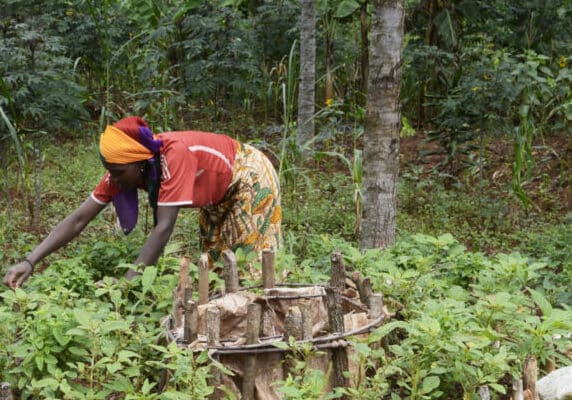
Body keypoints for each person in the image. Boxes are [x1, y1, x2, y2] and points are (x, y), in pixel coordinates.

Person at [3, 116, 282, 289]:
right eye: (110, 171)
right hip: (215, 194)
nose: (114, 179)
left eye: (118, 172)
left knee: (251, 267)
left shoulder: (174, 156)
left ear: (139, 163)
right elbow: (79, 219)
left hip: (248, 176)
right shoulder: (124, 169)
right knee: (218, 269)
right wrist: (30, 261)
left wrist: (127, 284)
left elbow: (164, 228)